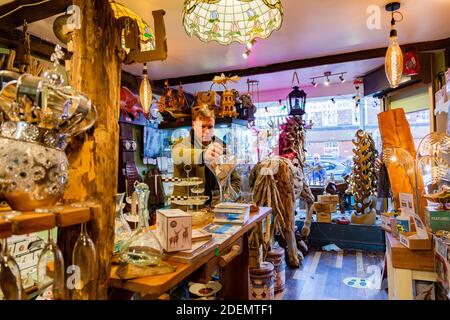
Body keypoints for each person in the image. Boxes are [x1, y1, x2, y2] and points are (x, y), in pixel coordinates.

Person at [171, 105, 240, 208]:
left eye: (210, 126)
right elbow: (178, 156)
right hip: (186, 212)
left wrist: (226, 196)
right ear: (194, 125)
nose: (206, 131)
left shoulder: (222, 147)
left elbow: (235, 180)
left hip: (216, 210)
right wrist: (203, 156)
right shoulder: (182, 144)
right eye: (202, 126)